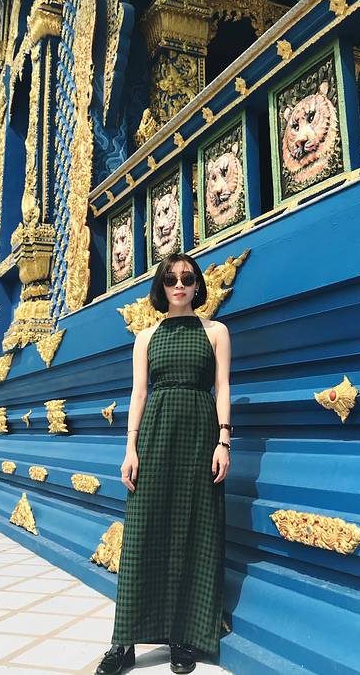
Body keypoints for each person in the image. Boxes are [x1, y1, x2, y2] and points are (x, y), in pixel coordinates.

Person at [96, 253, 232, 675]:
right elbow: (139, 393)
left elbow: (223, 387)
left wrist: (224, 440)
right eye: (171, 279)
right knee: (143, 531)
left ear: (197, 285)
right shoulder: (146, 337)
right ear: (161, 286)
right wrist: (130, 448)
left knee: (195, 529)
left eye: (187, 279)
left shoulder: (216, 332)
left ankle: (182, 635)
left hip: (200, 433)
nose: (179, 286)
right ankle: (124, 642)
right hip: (155, 433)